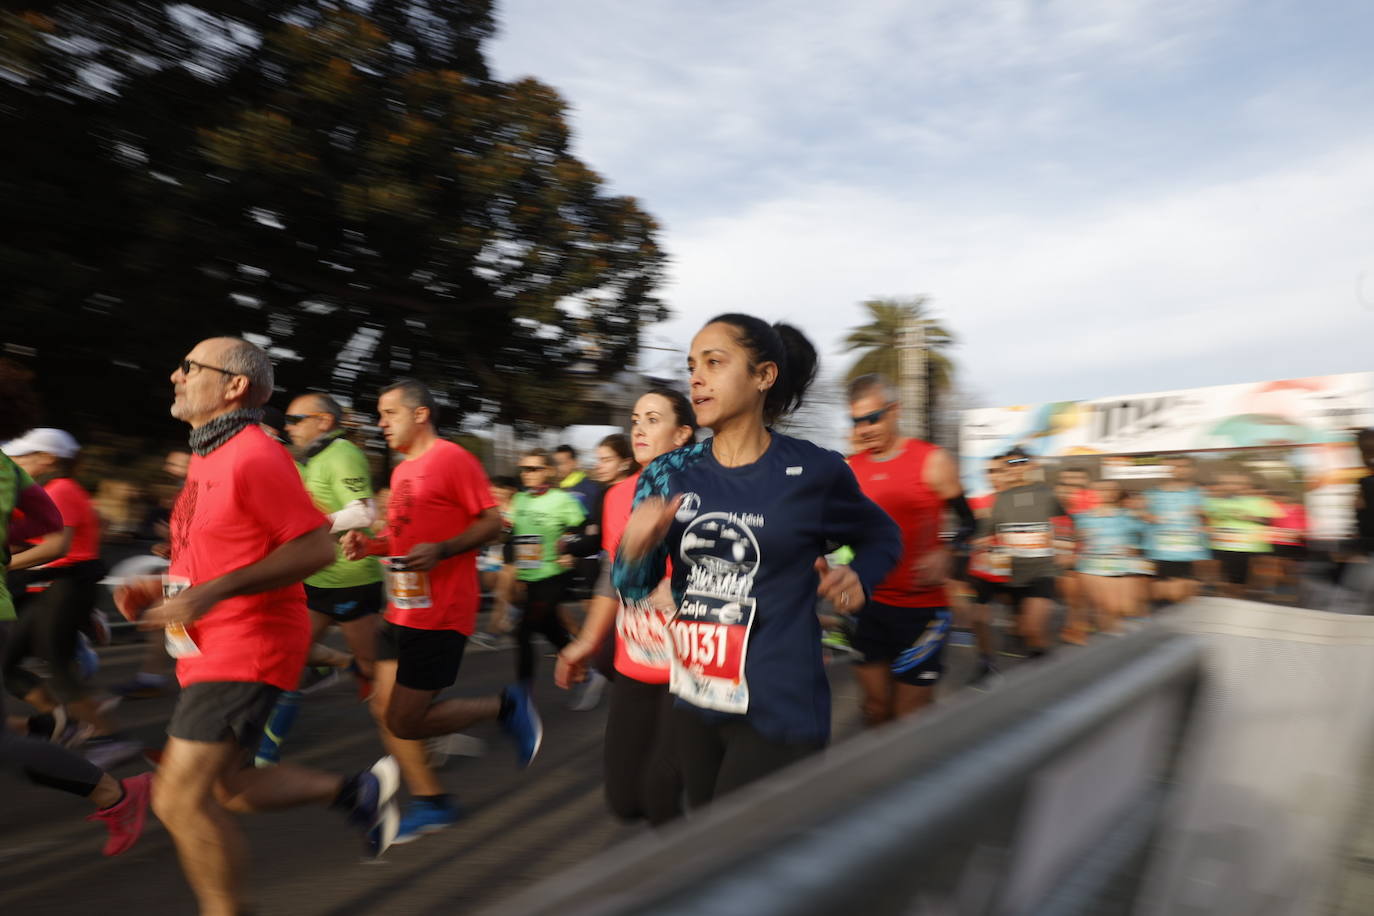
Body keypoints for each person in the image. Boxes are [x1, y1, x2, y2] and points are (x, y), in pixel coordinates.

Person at [119, 337, 401, 916]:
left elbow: (316, 550)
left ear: (234, 385)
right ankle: (356, 791)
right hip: (207, 642)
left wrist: (210, 592)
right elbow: (219, 545)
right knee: (231, 789)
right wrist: (165, 586)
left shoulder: (254, 453)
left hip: (248, 642)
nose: (175, 375)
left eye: (189, 366)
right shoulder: (207, 454)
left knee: (177, 800)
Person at [614, 314, 901, 809]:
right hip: (697, 700)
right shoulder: (668, 472)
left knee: (732, 856)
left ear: (763, 375)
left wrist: (862, 573)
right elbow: (634, 589)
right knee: (710, 846)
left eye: (714, 362)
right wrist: (634, 551)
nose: (696, 378)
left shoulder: (814, 470)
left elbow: (882, 534)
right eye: (691, 366)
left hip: (780, 705)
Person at [340, 378, 542, 845]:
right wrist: (370, 544)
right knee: (383, 710)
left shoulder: (452, 459)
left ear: (420, 414)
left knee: (405, 720)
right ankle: (432, 802)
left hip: (442, 611)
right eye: (379, 414)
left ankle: (505, 706)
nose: (380, 422)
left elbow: (494, 522)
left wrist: (445, 549)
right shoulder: (402, 471)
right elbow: (404, 538)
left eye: (388, 413)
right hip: (402, 607)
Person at [0, 359, 153, 857]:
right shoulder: (10, 470)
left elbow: (58, 536)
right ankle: (59, 730)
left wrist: (12, 555)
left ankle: (106, 775)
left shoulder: (56, 484)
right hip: (35, 590)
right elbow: (44, 525)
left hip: (65, 584)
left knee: (56, 668)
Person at [556, 388, 696, 824]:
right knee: (625, 799)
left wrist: (681, 587)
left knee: (659, 792)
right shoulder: (618, 496)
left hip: (691, 666)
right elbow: (610, 580)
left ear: (682, 434)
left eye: (653, 419)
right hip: (636, 660)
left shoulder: (705, 490)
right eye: (636, 418)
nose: (638, 427)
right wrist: (585, 642)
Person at [254, 392, 383, 766]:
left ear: (323, 421)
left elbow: (364, 513)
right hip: (314, 579)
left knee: (374, 667)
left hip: (352, 578)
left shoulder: (342, 453)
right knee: (289, 659)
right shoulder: (306, 460)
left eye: (295, 420)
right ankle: (264, 753)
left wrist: (309, 528)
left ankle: (419, 729)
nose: (288, 427)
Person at [845, 375, 968, 724]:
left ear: (894, 411)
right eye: (857, 421)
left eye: (873, 418)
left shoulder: (933, 461)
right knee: (875, 708)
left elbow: (970, 523)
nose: (865, 429)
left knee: (909, 716)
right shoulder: (850, 470)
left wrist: (948, 552)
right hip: (867, 607)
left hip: (920, 610)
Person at [3, 428, 131, 764]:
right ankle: (68, 722)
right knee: (8, 664)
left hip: (68, 587)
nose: (15, 461)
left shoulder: (61, 489)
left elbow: (58, 545)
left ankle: (109, 738)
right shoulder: (50, 490)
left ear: (48, 458)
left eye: (24, 455)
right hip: (52, 585)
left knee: (58, 667)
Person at [976, 448, 1075, 658]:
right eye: (1010, 464)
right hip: (1012, 573)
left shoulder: (1045, 492)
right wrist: (980, 542)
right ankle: (1043, 665)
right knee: (1025, 633)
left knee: (1033, 628)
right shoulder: (1001, 498)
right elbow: (988, 532)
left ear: (1030, 465)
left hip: (1042, 570)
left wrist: (1066, 549)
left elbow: (1065, 522)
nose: (1016, 467)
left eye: (1021, 462)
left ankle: (1047, 675)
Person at [508, 448, 586, 685]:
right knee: (548, 627)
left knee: (523, 632)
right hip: (529, 577)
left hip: (554, 577)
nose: (527, 473)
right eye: (524, 469)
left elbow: (586, 529)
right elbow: (511, 532)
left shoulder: (562, 499)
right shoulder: (519, 499)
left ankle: (522, 694)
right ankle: (580, 664)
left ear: (549, 471)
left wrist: (571, 551)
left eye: (534, 468)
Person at [1074, 479, 1144, 633]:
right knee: (1108, 607)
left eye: (1111, 489)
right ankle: (1107, 637)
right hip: (1092, 568)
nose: (1107, 493)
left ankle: (1108, 633)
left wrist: (1136, 548)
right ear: (1091, 493)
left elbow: (1142, 538)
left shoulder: (1128, 516)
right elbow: (1071, 541)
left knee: (1125, 607)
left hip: (1122, 567)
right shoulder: (1081, 518)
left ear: (1117, 493)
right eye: (1101, 489)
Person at [1143, 456, 1210, 608]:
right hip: (1161, 551)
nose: (1179, 470)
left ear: (1192, 469)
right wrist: (1147, 516)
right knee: (1162, 591)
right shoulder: (1152, 493)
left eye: (1183, 466)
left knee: (1186, 591)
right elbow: (1140, 515)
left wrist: (1204, 519)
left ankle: (1183, 621)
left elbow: (1207, 518)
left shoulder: (1199, 493)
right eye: (1174, 466)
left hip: (1187, 550)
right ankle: (1161, 621)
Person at [1205, 471, 1280, 600]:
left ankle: (1238, 600)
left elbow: (1271, 521)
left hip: (1245, 546)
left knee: (1240, 579)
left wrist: (1249, 517)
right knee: (1221, 577)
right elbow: (1204, 518)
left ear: (1246, 485)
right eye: (1226, 483)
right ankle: (1223, 599)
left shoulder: (1259, 502)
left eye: (1236, 483)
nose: (1231, 486)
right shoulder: (1212, 501)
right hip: (1219, 544)